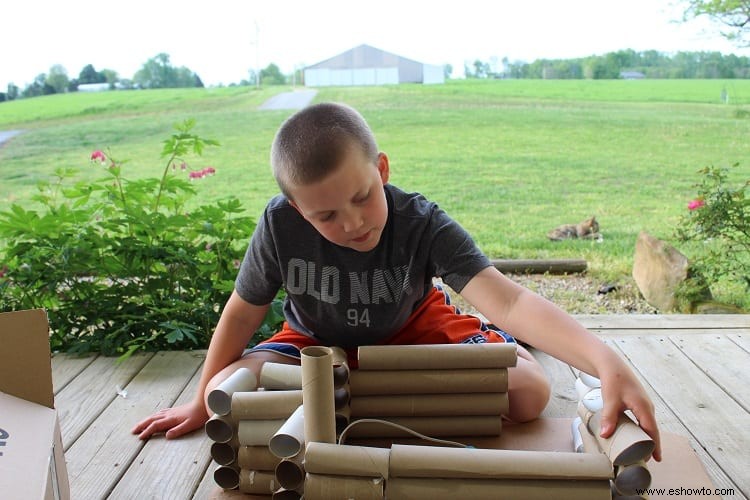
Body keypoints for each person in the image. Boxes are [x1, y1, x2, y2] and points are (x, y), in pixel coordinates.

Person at [132, 102, 661, 461]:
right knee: (228, 392)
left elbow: (510, 299)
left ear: (381, 169)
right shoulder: (278, 223)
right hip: (313, 345)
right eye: (327, 216)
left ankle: (475, 357)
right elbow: (242, 312)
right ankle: (366, 392)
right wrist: (200, 400)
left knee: (530, 393)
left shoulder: (421, 221)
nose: (354, 222)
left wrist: (603, 359)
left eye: (362, 196)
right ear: (297, 209)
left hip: (415, 330)